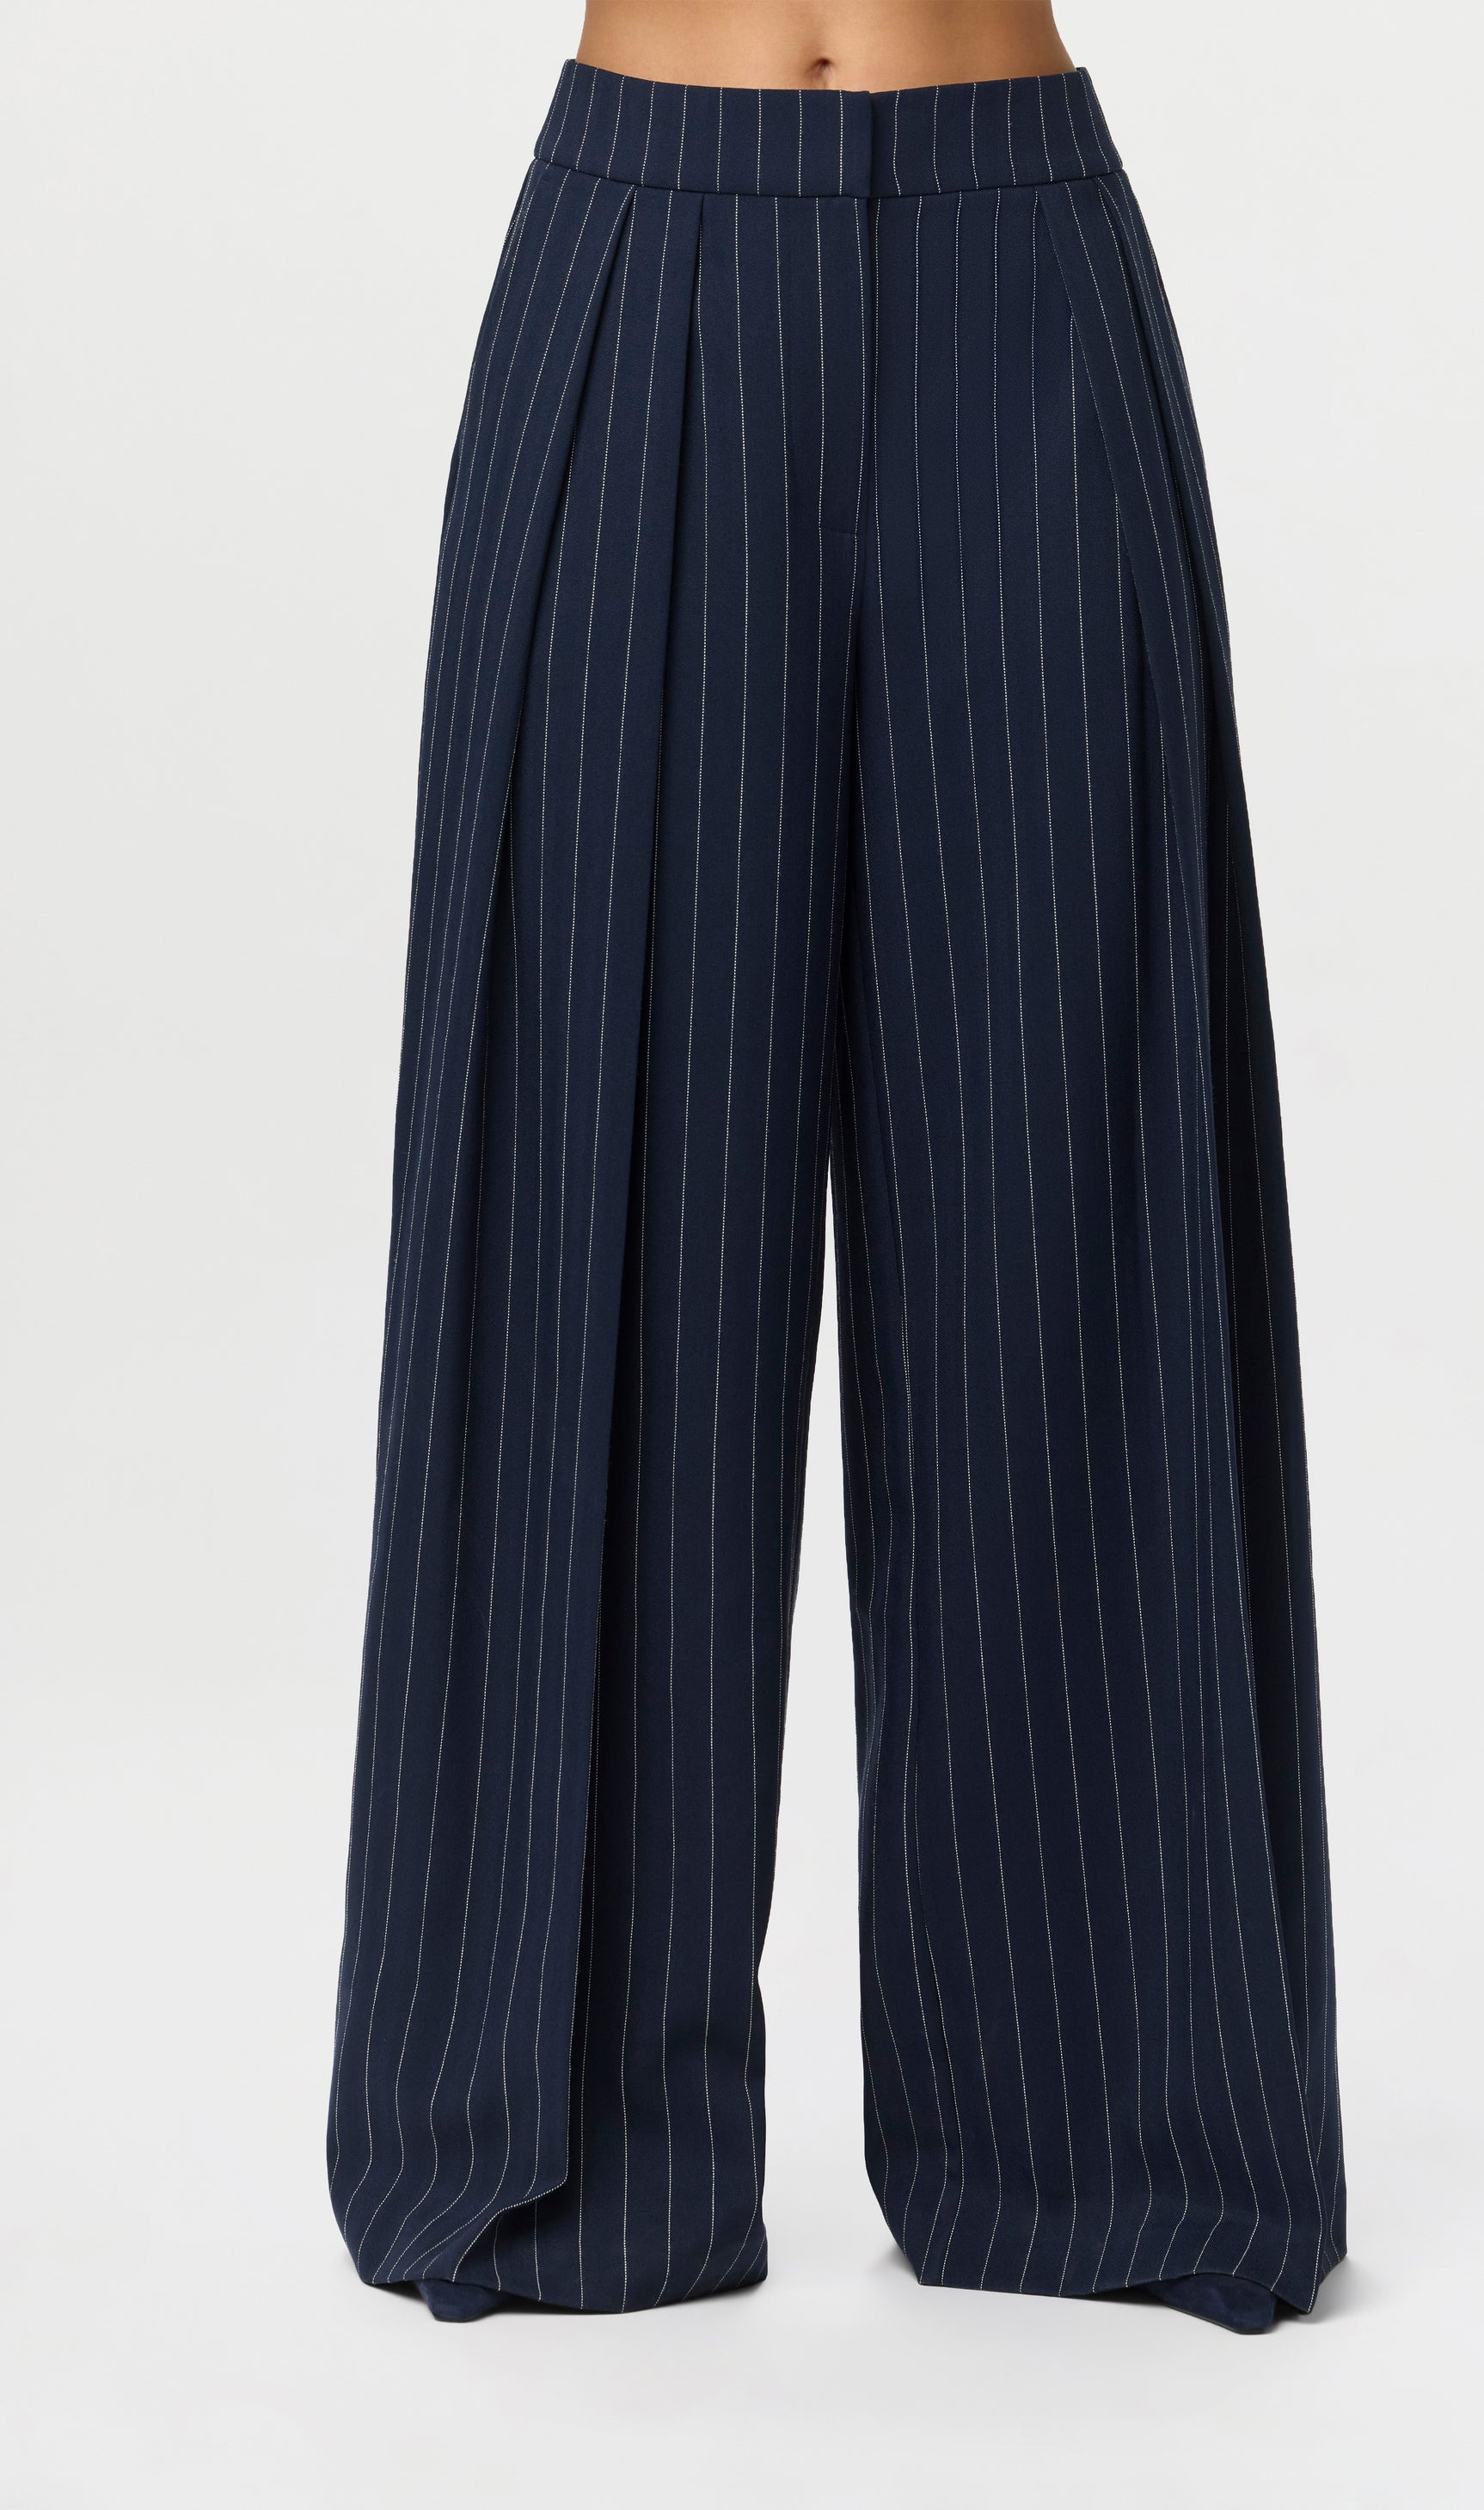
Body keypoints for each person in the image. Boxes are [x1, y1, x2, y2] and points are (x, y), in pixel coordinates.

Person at [327, 0, 1345, 2337]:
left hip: (1019, 269)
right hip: (647, 253)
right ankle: (547, 2135)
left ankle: (1112, 2127)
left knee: (1074, 1206)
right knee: (589, 1202)